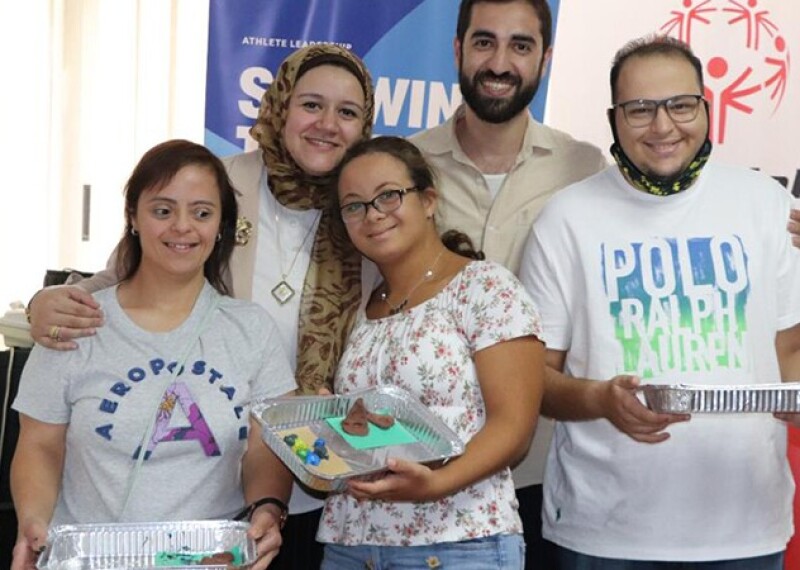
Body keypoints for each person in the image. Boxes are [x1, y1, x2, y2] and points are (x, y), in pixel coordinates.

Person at [23, 45, 376, 569]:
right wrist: (42, 303)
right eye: (311, 105)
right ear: (280, 105)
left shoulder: (368, 208)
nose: (327, 124)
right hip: (222, 491)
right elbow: (126, 275)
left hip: (322, 481)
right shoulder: (218, 180)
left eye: (347, 112)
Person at [519, 35, 800, 569]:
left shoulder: (767, 205)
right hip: (600, 533)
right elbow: (534, 378)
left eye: (681, 105)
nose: (664, 126)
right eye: (640, 109)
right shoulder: (565, 218)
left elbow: (789, 351)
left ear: (706, 108)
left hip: (745, 527)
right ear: (614, 119)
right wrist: (602, 400)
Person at [11, 140, 297, 570]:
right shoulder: (78, 322)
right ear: (133, 217)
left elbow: (267, 446)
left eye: (202, 213)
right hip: (92, 559)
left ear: (221, 225)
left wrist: (268, 507)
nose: (182, 227)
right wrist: (32, 522)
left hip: (210, 560)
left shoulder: (250, 329)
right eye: (163, 210)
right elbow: (39, 444)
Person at [409, 0, 607, 564]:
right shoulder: (405, 167)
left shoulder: (585, 170)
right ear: (457, 49)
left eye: (520, 46)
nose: (500, 62)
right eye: (484, 42)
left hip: (543, 473)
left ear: (545, 59)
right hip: (424, 465)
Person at [315, 135, 545, 569]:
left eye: (388, 196)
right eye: (355, 205)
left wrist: (438, 484)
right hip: (352, 543)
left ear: (427, 200)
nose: (373, 215)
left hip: (459, 542)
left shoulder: (486, 288)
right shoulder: (357, 306)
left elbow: (514, 428)